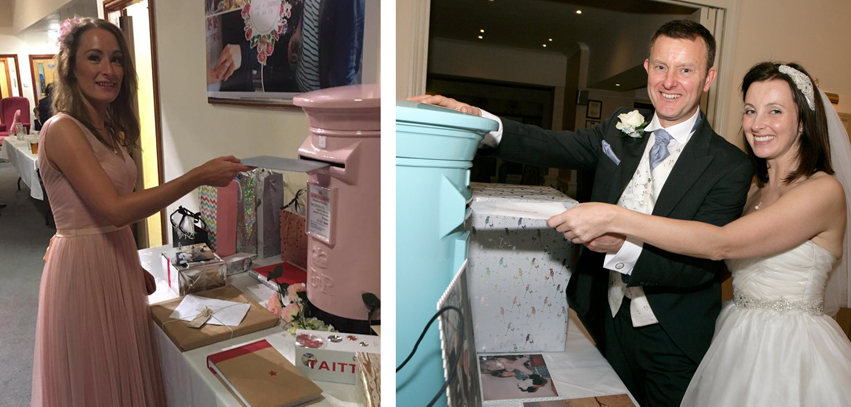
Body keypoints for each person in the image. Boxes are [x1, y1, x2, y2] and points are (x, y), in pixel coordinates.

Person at [411, 20, 754, 406]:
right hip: (604, 318)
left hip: (672, 336)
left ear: (708, 78)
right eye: (661, 67)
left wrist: (618, 245)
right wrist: (478, 119)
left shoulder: (731, 166)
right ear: (646, 69)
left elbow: (701, 265)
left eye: (685, 70)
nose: (669, 82)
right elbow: (548, 144)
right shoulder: (621, 129)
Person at [551, 62, 851, 407]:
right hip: (735, 337)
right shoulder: (755, 192)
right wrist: (623, 248)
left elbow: (718, 243)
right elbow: (714, 263)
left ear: (803, 122)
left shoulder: (822, 191)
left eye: (775, 111)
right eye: (750, 110)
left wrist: (616, 218)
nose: (758, 124)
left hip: (789, 351)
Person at [31, 17, 249, 406]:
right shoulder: (62, 129)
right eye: (94, 58)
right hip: (81, 269)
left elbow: (109, 216)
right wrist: (197, 176)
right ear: (70, 66)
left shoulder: (107, 130)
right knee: (96, 377)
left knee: (123, 368)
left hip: (115, 257)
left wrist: (130, 265)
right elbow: (115, 210)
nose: (107, 70)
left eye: (116, 60)